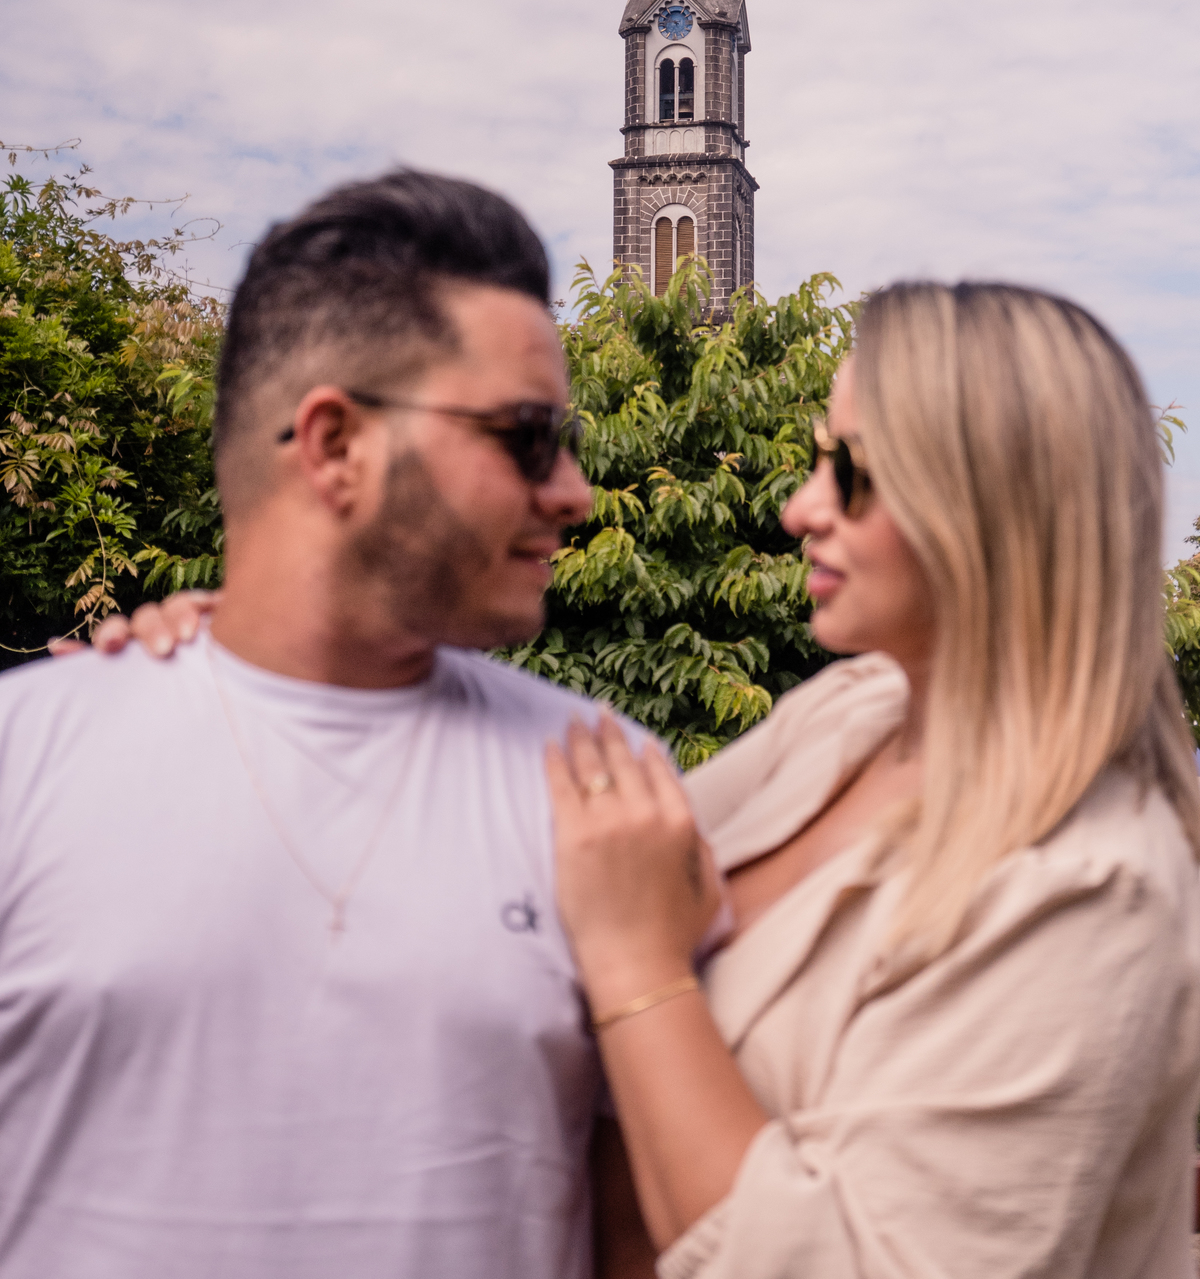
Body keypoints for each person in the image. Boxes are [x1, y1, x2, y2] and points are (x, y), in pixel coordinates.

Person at [0, 167, 653, 1279]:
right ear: (337, 444)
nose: (575, 493)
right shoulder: (29, 757)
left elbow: (643, 1233)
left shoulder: (610, 789)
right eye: (527, 436)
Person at [546, 282, 1200, 1277]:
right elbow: (588, 848)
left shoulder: (1087, 886)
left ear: (988, 505)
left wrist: (637, 966)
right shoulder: (856, 714)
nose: (800, 508)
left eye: (851, 472)